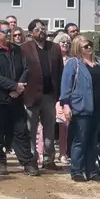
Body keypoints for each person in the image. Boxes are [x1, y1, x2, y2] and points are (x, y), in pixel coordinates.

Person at [0, 21, 36, 176]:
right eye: (6, 31)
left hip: (16, 98)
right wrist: (13, 85)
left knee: (21, 131)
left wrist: (18, 89)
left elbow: (26, 69)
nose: (10, 34)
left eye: (10, 31)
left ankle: (27, 162)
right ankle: (0, 161)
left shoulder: (17, 50)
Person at [58, 34, 100, 182]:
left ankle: (92, 171)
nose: (90, 48)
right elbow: (65, 86)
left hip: (98, 106)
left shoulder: (99, 62)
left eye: (90, 45)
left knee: (93, 140)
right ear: (78, 48)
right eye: (86, 46)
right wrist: (66, 105)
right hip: (81, 106)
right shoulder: (74, 63)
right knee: (80, 139)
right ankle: (76, 171)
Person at [20, 19, 63, 170]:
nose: (41, 31)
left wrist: (58, 95)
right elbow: (21, 71)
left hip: (49, 95)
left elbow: (60, 72)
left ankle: (48, 159)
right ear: (31, 32)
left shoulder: (54, 48)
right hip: (30, 95)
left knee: (50, 129)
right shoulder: (24, 48)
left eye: (43, 28)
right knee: (30, 130)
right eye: (37, 29)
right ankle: (32, 159)